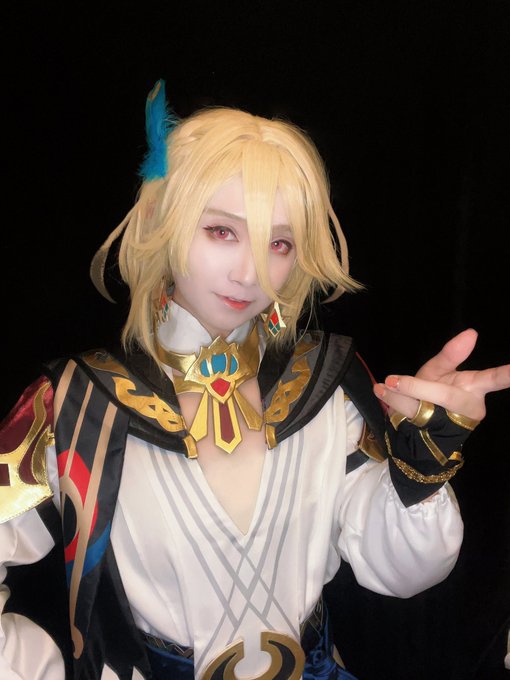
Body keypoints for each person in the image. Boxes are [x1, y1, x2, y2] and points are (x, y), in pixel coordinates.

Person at [1, 79, 509, 680]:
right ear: (166, 222)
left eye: (280, 243)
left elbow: (400, 572)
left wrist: (421, 466)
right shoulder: (75, 407)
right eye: (222, 231)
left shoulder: (323, 387)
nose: (250, 272)